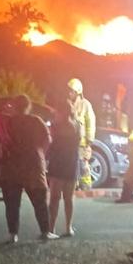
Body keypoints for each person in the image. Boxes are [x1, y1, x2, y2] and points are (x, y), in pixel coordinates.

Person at [0, 94, 59, 242]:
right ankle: (45, 231)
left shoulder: (5, 121)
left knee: (12, 202)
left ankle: (13, 234)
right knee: (39, 199)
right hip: (33, 165)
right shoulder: (36, 121)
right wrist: (40, 153)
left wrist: (5, 106)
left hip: (10, 166)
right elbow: (48, 139)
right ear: (28, 106)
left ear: (14, 106)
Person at [47, 100, 81, 237]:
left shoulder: (55, 127)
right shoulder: (77, 126)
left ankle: (51, 228)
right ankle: (68, 228)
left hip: (58, 164)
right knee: (69, 198)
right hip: (71, 163)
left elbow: (51, 145)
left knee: (54, 198)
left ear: (61, 112)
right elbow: (78, 143)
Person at [67, 78, 96, 190]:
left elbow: (90, 122)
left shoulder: (85, 105)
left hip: (82, 143)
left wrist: (89, 140)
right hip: (69, 143)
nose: (69, 93)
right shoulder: (67, 104)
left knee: (83, 166)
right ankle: (74, 186)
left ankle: (86, 187)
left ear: (77, 91)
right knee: (72, 166)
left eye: (72, 91)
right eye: (69, 90)